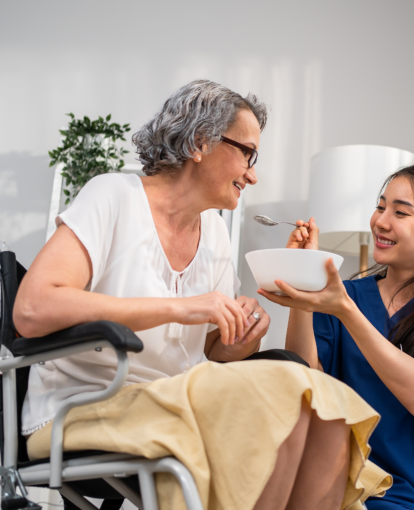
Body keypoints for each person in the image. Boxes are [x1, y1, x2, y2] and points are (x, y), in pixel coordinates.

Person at [14, 80, 391, 510]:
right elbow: (33, 308)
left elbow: (212, 354)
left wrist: (240, 333)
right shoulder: (113, 197)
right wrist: (183, 307)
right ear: (199, 142)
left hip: (178, 397)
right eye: (247, 153)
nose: (253, 173)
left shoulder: (213, 231)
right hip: (86, 407)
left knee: (322, 412)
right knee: (285, 396)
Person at [260, 163, 414, 509]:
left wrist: (345, 311)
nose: (381, 221)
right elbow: (307, 379)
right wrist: (304, 284)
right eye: (381, 206)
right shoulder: (347, 295)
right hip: (365, 483)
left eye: (400, 212)